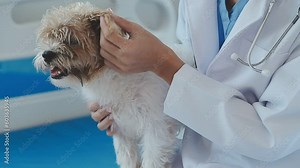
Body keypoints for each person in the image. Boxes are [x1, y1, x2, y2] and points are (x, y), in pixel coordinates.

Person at [89, 0, 300, 167]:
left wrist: (162, 63)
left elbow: (272, 136)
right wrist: (127, 108)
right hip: (188, 156)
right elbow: (190, 72)